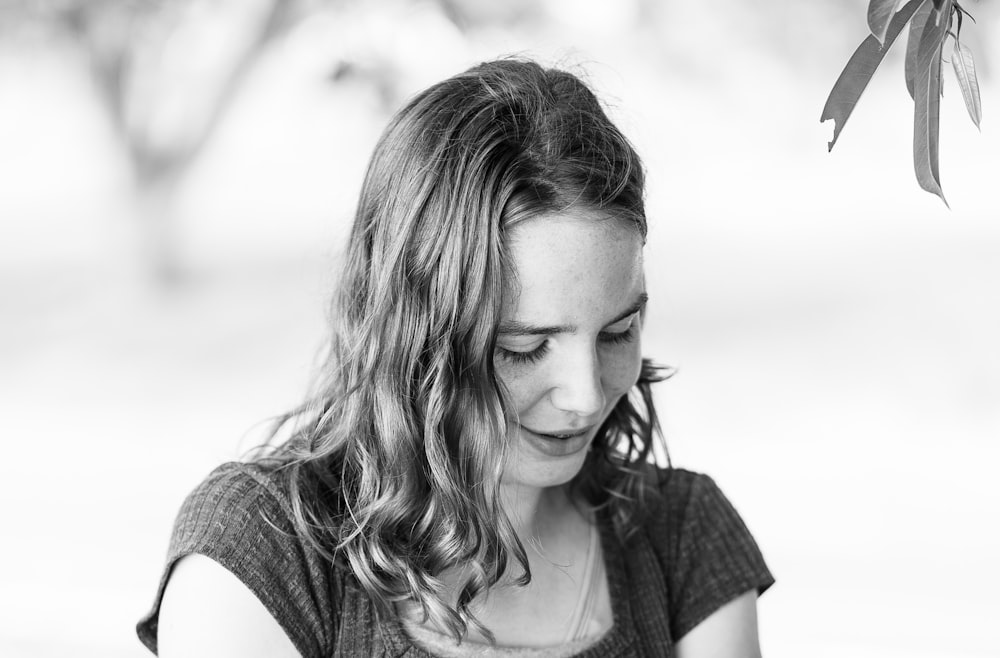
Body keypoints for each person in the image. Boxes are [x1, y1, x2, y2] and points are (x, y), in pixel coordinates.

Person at [137, 58, 773, 657]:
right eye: (523, 348)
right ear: (412, 334)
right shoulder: (264, 553)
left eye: (617, 333)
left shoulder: (682, 536)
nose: (584, 394)